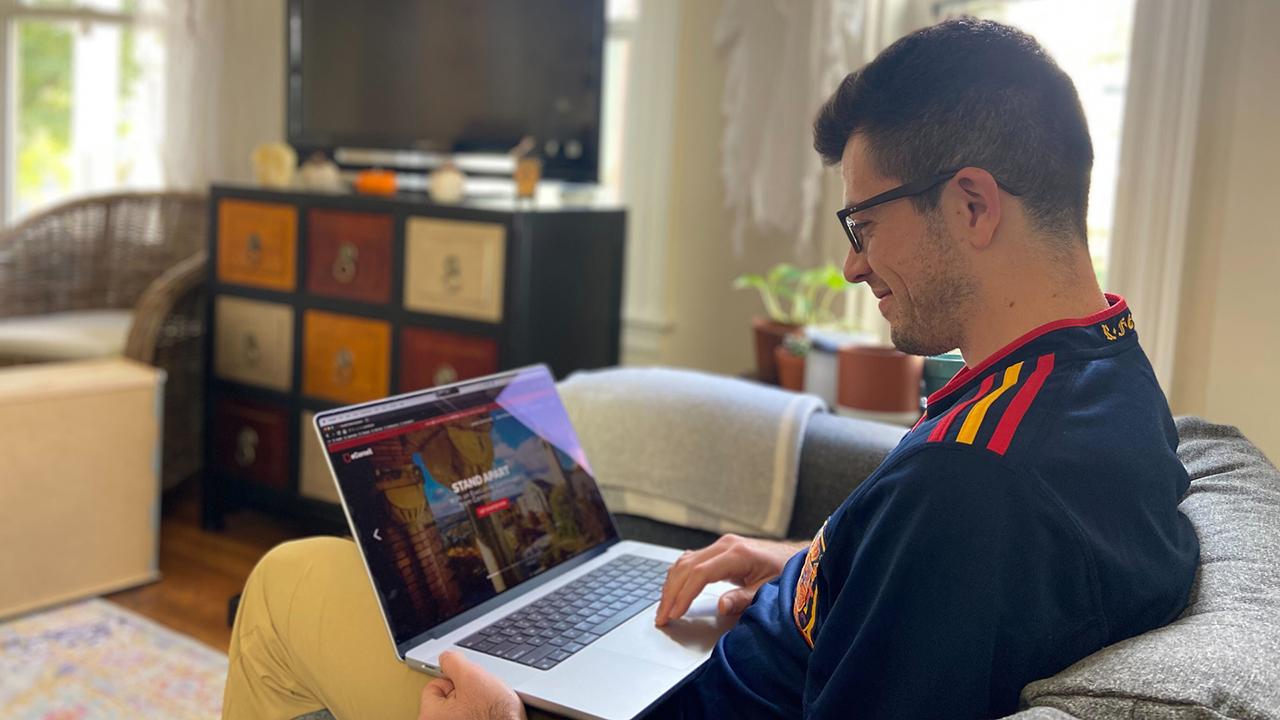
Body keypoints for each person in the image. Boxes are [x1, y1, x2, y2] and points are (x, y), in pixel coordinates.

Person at [222, 18, 1199, 720]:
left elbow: (955, 537)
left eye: (863, 223)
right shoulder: (1107, 381)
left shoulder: (972, 486)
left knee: (283, 585)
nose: (853, 262)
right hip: (715, 656)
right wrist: (807, 565)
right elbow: (942, 587)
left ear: (973, 204)